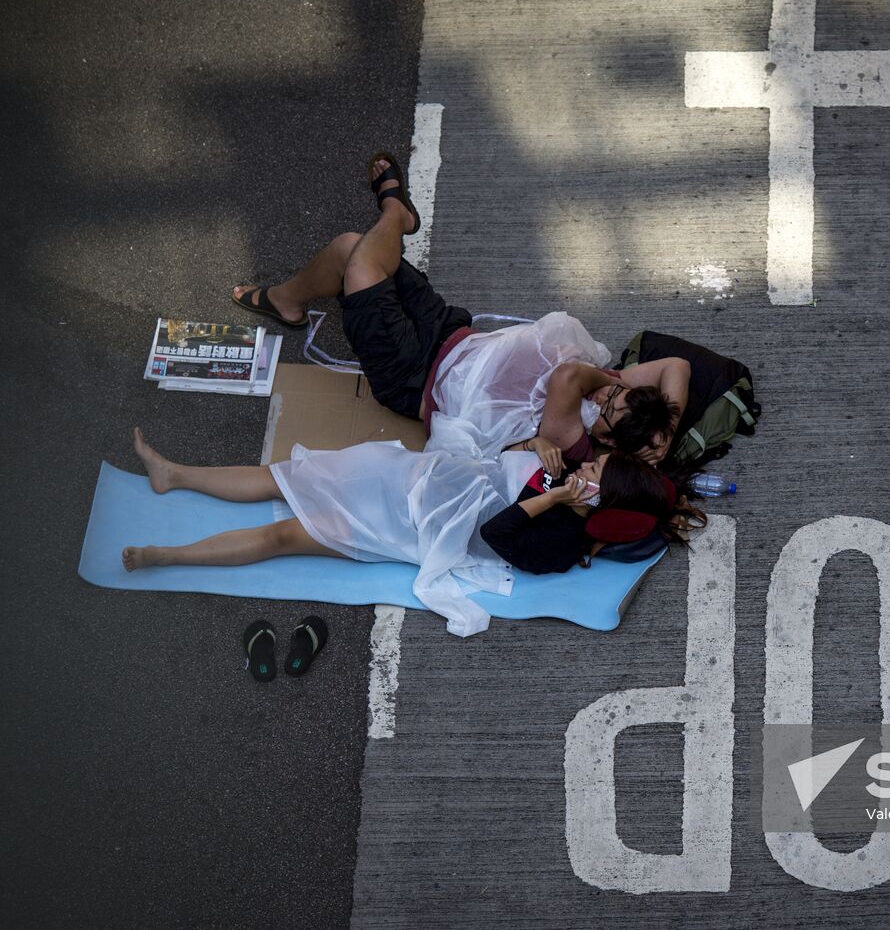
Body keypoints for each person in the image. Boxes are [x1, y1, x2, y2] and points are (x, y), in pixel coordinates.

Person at [231, 152, 690, 471]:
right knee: (350, 249)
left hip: (413, 376)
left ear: (608, 439)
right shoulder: (613, 400)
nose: (605, 395)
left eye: (609, 407)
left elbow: (570, 377)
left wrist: (609, 387)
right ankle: (288, 301)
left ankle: (395, 211)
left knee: (364, 264)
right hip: (449, 333)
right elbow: (677, 365)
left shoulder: (575, 438)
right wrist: (666, 430)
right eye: (615, 395)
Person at [119, 428, 692, 637]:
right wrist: (533, 449)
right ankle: (174, 475)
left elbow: (497, 532)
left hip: (410, 522)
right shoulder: (568, 486)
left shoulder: (562, 543)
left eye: (593, 473)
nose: (583, 466)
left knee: (285, 536)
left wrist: (551, 496)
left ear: (602, 506)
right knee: (285, 477)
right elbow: (497, 466)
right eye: (590, 464)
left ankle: (166, 555)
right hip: (414, 478)